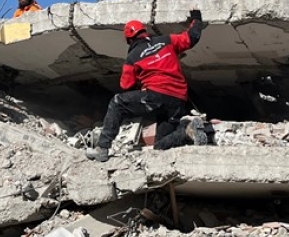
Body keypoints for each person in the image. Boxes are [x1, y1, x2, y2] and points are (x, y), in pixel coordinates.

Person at [85, 9, 206, 162]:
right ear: (145, 31)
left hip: (155, 95)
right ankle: (187, 131)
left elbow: (125, 85)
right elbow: (192, 37)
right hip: (178, 99)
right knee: (160, 146)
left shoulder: (133, 57)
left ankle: (102, 148)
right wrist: (196, 17)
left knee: (117, 103)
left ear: (129, 40)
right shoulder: (167, 40)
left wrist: (140, 84)